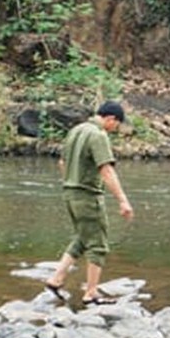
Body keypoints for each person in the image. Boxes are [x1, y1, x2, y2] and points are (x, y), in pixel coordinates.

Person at [44, 100, 134, 306]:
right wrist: (123, 201)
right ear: (110, 119)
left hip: (69, 193)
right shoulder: (98, 135)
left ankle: (56, 279)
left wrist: (71, 181)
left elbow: (61, 162)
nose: (116, 129)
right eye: (117, 125)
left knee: (82, 238)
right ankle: (91, 293)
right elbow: (106, 170)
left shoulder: (76, 130)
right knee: (98, 245)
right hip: (87, 196)